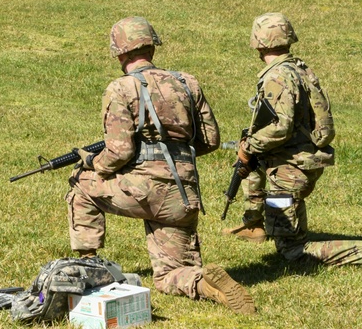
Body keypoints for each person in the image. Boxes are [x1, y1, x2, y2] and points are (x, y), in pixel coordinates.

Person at [66, 17, 256, 314]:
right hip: (184, 197)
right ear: (151, 47)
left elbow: (119, 152)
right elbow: (210, 140)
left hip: (143, 191)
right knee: (169, 275)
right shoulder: (186, 82)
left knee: (80, 184)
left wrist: (93, 162)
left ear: (119, 53)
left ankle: (87, 265)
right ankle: (209, 285)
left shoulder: (121, 88)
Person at [234, 13, 362, 272]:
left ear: (258, 42)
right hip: (301, 162)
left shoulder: (277, 77)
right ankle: (258, 224)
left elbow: (281, 127)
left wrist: (248, 147)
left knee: (291, 251)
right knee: (284, 214)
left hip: (288, 169)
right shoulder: (299, 68)